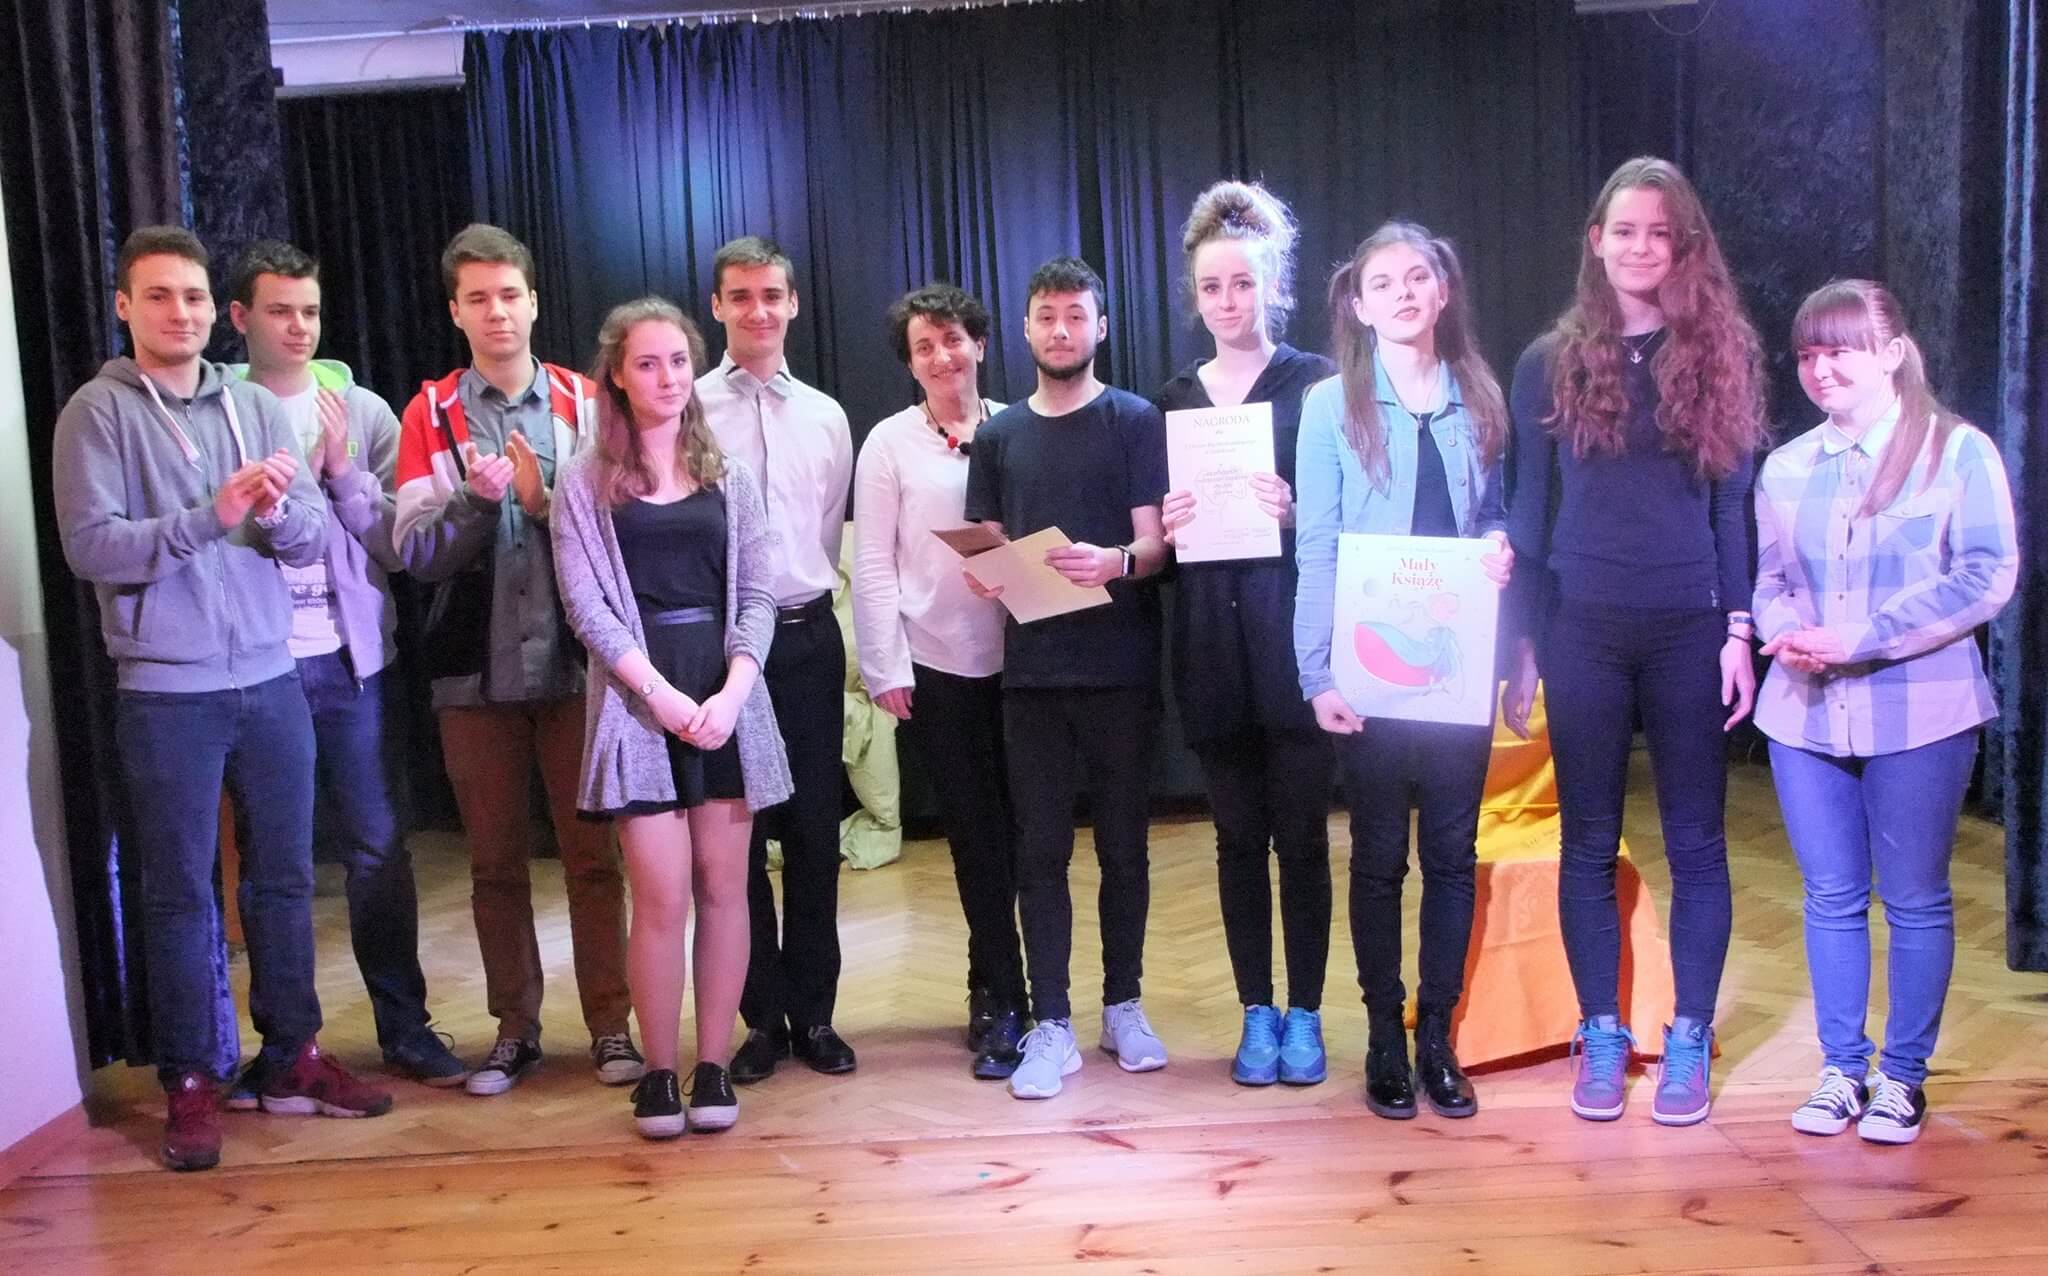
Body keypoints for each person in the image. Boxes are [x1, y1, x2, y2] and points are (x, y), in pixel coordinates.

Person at [53, 226, 392, 1172]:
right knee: (178, 892)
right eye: (160, 296)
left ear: (216, 311)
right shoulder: (98, 413)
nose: (182, 313)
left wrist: (279, 513)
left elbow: (312, 534)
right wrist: (215, 517)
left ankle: (293, 1058)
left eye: (194, 297)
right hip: (168, 691)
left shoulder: (253, 405)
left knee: (285, 880)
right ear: (125, 306)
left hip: (271, 677)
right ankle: (191, 1080)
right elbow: (90, 547)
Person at [1503, 156, 1767, 1126]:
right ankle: (1602, 1032)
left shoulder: (1720, 351)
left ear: (1682, 245)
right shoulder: (1547, 360)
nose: (1641, 247)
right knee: (1584, 839)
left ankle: (1688, 1033)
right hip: (1581, 626)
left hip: (1690, 627)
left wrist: (1739, 626)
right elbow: (1527, 511)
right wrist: (1519, 641)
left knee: (1697, 842)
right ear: (1596, 241)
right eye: (1625, 230)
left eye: (1659, 232)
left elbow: (1733, 507)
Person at [1755, 280, 2019, 1145]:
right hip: (1806, 714)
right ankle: (1842, 1070)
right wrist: (1785, 631)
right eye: (1809, 353)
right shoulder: (1787, 467)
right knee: (1830, 896)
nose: (1822, 368)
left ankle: (1903, 1078)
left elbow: (1987, 574)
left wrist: (1863, 637)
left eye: (1841, 349)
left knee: (1913, 897)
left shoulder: (1958, 452)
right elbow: (1771, 581)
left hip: (1922, 710)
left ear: (1893, 352)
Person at [393, 223, 641, 1097]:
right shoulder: (427, 415)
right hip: (473, 677)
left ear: (534, 302)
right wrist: (470, 503)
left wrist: (543, 503)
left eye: (509, 295)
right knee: (494, 866)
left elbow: (626, 528)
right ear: (455, 312)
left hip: (580, 672)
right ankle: (515, 1030)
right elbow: (415, 554)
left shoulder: (587, 402)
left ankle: (611, 1026)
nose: (496, 312)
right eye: (478, 298)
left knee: (593, 859)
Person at [222, 240, 468, 1097]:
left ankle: (404, 1029)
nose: (299, 327)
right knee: (275, 861)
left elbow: (399, 548)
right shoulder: (218, 411)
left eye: (311, 311)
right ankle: (288, 1048)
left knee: (376, 847)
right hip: (257, 667)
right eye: (280, 311)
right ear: (240, 318)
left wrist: (341, 474)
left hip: (352, 662)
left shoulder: (360, 410)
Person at [553, 298, 793, 1138]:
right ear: (618, 375)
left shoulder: (731, 477)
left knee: (727, 891)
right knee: (660, 897)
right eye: (648, 363)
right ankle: (658, 1073)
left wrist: (732, 693)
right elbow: (587, 606)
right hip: (639, 702)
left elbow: (757, 594)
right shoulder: (584, 480)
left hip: (724, 698)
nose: (666, 377)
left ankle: (713, 1065)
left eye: (679, 362)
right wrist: (658, 695)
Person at [1294, 223, 1515, 1119]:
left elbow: (1497, 516)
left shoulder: (1481, 395)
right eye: (1382, 282)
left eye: (1417, 277)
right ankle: (1385, 1034)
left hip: (1458, 668)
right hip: (1371, 669)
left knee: (1453, 858)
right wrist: (1316, 673)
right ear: (1358, 303)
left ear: (1443, 290)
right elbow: (1316, 545)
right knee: (1380, 858)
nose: (1402, 294)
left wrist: (1499, 544)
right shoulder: (1328, 405)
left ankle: (1438, 1037)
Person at [962, 256, 1171, 1100]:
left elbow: (1155, 546)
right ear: (1025, 329)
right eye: (1047, 316)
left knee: (1125, 848)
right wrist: (986, 573)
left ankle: (1124, 1004)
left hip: (1121, 667)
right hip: (1034, 676)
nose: (1061, 330)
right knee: (1040, 852)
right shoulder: (998, 435)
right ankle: (1052, 1020)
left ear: (1100, 327)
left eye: (1076, 315)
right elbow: (984, 541)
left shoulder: (1134, 419)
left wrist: (1114, 560)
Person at [1154, 181, 1337, 1088]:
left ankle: (1306, 1014)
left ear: (1274, 287)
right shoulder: (1172, 399)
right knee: (1235, 842)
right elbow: (1155, 547)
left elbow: (1349, 513)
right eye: (1212, 287)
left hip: (1293, 645)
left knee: (1301, 839)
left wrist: (1301, 513)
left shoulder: (1318, 385)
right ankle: (1255, 1012)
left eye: (1243, 283)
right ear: (1195, 298)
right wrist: (1168, 527)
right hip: (1209, 650)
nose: (1228, 301)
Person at [852, 284, 1029, 1078]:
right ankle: (998, 995)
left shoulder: (1019, 426)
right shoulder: (888, 444)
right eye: (924, 346)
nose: (941, 356)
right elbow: (873, 562)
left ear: (980, 345)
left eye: (953, 339)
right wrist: (885, 666)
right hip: (937, 665)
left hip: (1025, 662)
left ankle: (1013, 981)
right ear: (910, 362)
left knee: (1025, 836)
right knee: (975, 838)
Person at [696, 235, 860, 1082]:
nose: (757, 310)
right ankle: (760, 1019)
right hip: (722, 655)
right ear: (717, 306)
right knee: (740, 841)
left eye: (771, 295)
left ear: (793, 304)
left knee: (814, 836)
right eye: (740, 296)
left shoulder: (827, 416)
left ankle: (817, 1015)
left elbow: (826, 533)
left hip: (805, 640)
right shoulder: (688, 408)